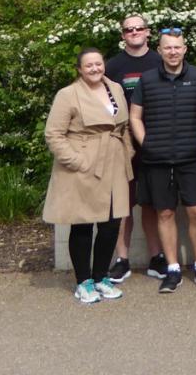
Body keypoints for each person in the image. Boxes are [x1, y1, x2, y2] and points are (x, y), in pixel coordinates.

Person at [42, 48, 134, 303]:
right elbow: (54, 134)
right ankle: (83, 281)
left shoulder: (114, 88)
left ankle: (101, 277)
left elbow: (123, 126)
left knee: (111, 224)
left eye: (98, 64)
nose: (95, 69)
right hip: (82, 165)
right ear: (80, 69)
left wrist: (127, 153)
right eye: (89, 65)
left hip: (114, 162)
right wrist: (76, 160)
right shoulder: (68, 94)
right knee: (82, 223)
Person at [128, 29, 196, 293]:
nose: (173, 52)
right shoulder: (148, 79)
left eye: (177, 47)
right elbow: (134, 117)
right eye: (168, 48)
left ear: (185, 49)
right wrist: (147, 145)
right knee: (164, 212)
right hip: (157, 160)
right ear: (160, 50)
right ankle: (173, 269)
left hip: (191, 158)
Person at [104, 13, 165, 283]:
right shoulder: (112, 66)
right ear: (122, 35)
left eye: (139, 28)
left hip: (155, 141)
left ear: (148, 32)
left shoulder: (162, 61)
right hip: (123, 143)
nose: (134, 33)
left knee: (152, 203)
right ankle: (122, 259)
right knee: (123, 204)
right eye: (129, 30)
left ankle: (157, 257)